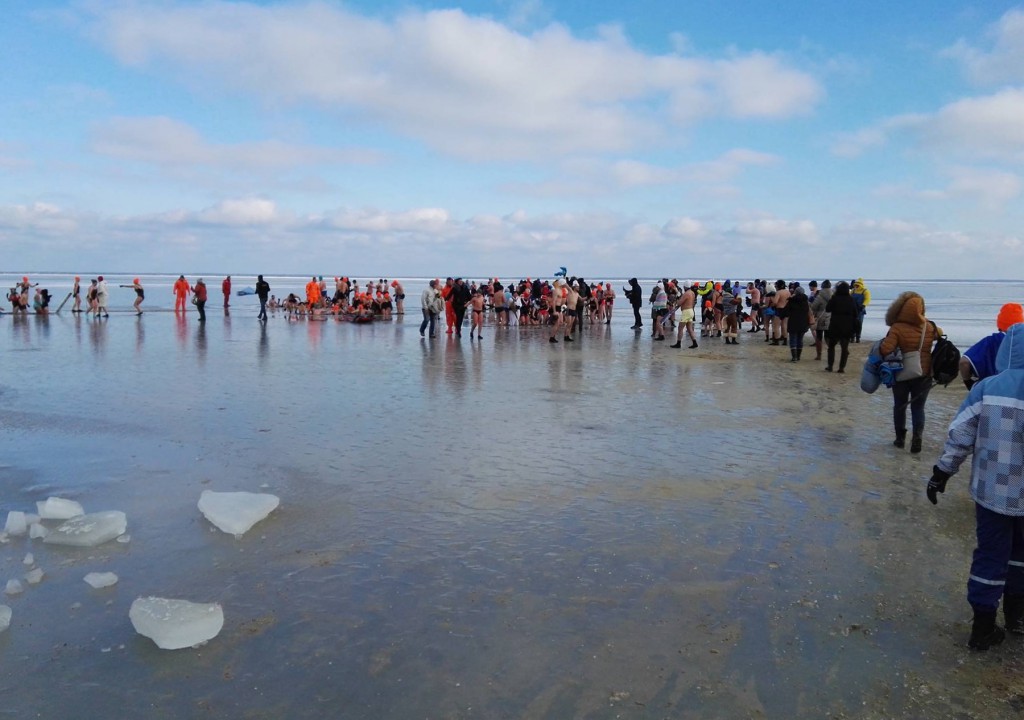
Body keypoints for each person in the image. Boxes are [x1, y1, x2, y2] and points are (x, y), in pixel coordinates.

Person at [926, 322, 1024, 651]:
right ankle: (1017, 615)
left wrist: (941, 473)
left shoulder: (987, 389)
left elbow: (961, 436)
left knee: (990, 554)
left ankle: (983, 626)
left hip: (992, 491)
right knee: (1021, 555)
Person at [878, 291, 942, 453]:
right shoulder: (929, 327)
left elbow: (886, 349)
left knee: (900, 405)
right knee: (918, 408)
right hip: (924, 373)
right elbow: (940, 334)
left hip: (901, 372)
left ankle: (900, 439)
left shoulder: (897, 328)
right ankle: (917, 439)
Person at [959, 303, 1024, 389]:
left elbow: (964, 362)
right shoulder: (1021, 341)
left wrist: (968, 382)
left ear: (999, 323)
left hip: (991, 389)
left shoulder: (990, 341)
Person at [824, 281, 857, 373]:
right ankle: (841, 367)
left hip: (835, 324)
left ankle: (830, 366)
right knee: (844, 348)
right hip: (847, 325)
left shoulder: (835, 298)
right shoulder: (851, 299)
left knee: (831, 346)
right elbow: (855, 313)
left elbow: (828, 309)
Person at [785, 286, 814, 361]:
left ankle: (794, 357)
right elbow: (809, 311)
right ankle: (798, 356)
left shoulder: (791, 301)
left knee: (793, 339)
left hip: (793, 322)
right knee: (800, 339)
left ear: (795, 292)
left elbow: (786, 312)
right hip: (803, 322)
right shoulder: (806, 302)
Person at [809, 280, 832, 361]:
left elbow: (813, 307)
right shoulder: (833, 295)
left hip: (821, 318)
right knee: (828, 337)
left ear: (822, 286)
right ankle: (831, 353)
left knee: (819, 337)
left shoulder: (820, 295)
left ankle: (819, 355)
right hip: (831, 318)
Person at [851, 278, 871, 343]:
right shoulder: (853, 291)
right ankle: (852, 337)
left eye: (857, 285)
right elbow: (849, 298)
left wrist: (863, 305)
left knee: (859, 324)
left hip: (860, 310)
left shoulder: (865, 291)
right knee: (852, 324)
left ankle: (858, 337)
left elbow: (867, 299)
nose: (856, 286)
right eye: (855, 285)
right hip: (852, 309)